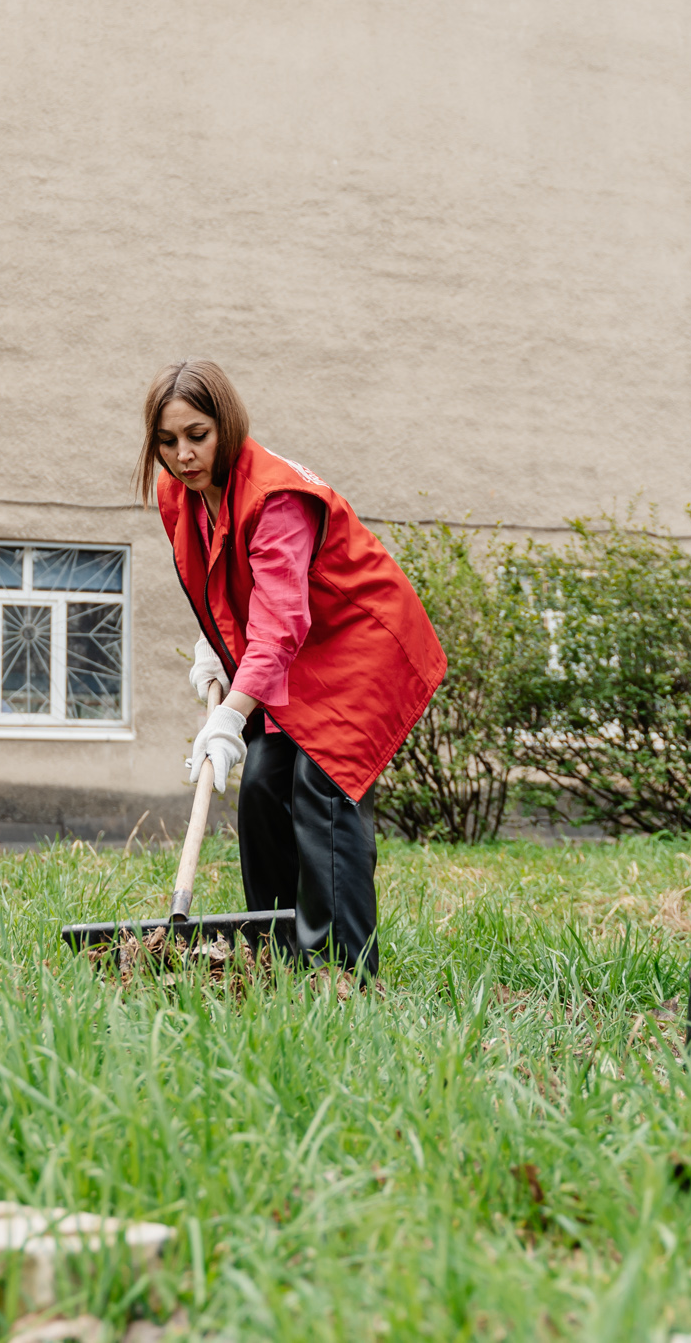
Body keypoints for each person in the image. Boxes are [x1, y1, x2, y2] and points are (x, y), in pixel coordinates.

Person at [141, 360, 446, 980]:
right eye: (168, 442)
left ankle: (342, 975)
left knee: (321, 787)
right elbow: (217, 573)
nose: (183, 455)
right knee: (260, 790)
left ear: (227, 425)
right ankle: (276, 957)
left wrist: (230, 717)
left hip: (360, 639)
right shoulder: (180, 493)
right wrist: (211, 646)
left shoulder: (275, 497)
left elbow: (281, 623)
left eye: (197, 435)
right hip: (301, 647)